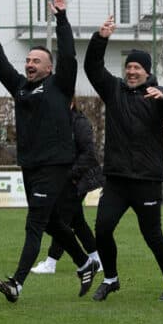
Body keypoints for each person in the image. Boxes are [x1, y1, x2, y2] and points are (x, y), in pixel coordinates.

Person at [0, 0, 100, 302]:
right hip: (30, 165)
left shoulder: (60, 85)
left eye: (36, 61)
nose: (29, 64)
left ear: (49, 68)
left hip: (54, 165)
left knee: (34, 222)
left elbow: (69, 55)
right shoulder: (20, 87)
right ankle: (85, 262)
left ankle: (16, 284)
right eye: (28, 60)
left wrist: (61, 18)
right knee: (51, 222)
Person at [85, 16, 163, 301]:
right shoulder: (113, 90)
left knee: (152, 235)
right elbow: (92, 68)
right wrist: (100, 39)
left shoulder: (157, 96)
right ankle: (111, 279)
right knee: (103, 229)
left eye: (137, 68)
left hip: (146, 180)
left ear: (147, 72)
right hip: (117, 180)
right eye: (128, 67)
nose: (131, 71)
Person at [31, 101, 104, 274]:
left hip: (78, 179)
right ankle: (97, 259)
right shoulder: (58, 122)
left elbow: (88, 154)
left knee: (61, 221)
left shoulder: (80, 122)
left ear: (71, 103)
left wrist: (70, 174)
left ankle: (51, 262)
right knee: (77, 222)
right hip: (68, 179)